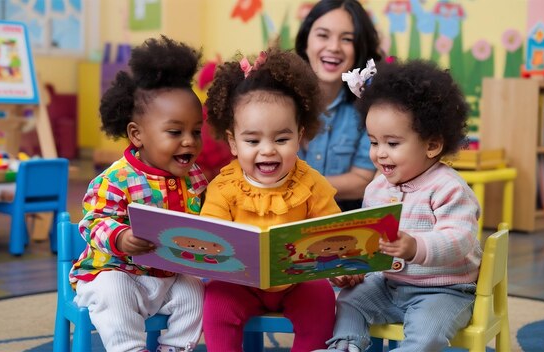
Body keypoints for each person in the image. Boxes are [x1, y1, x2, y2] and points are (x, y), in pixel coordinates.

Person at [315, 59, 483, 352]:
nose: (380, 154)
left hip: (444, 291)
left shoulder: (449, 188)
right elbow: (370, 245)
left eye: (392, 144)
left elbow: (460, 239)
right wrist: (354, 269)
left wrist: (415, 247)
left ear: (431, 145)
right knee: (348, 300)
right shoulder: (377, 188)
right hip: (388, 284)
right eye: (373, 142)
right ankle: (346, 345)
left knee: (427, 331)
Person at [69, 36, 207, 352]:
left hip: (170, 276)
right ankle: (130, 348)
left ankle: (174, 346)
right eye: (175, 132)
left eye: (196, 131)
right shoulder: (117, 179)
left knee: (196, 291)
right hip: (116, 273)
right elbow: (93, 222)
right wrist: (120, 237)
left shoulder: (196, 177)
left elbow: (207, 218)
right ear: (137, 134)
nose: (189, 141)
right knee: (112, 293)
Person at [201, 48, 342, 352]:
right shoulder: (223, 187)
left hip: (298, 285)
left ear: (300, 135)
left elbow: (334, 231)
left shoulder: (311, 183)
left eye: (281, 139)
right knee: (216, 302)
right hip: (240, 285)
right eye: (252, 140)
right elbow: (210, 237)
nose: (267, 151)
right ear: (233, 143)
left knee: (322, 298)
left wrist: (339, 266)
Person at [295, 0, 385, 211]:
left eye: (347, 39)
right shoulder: (277, 99)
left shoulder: (371, 107)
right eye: (323, 35)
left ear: (360, 48)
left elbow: (363, 181)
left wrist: (296, 188)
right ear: (305, 41)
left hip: (343, 221)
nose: (334, 47)